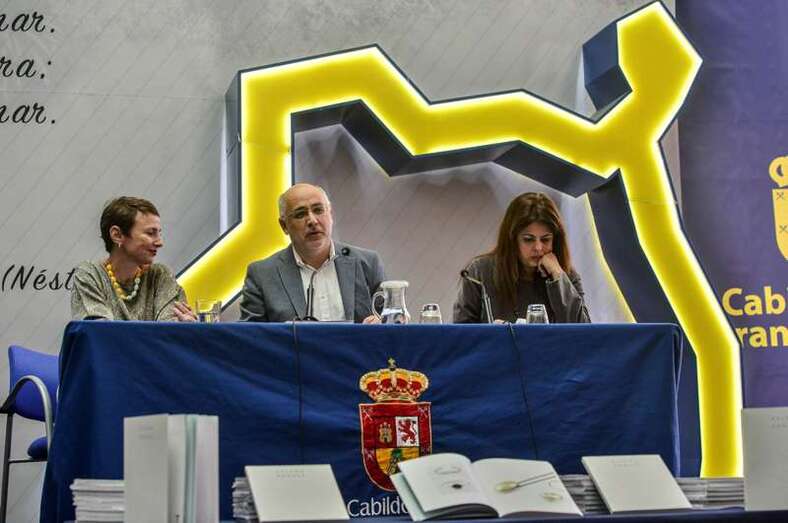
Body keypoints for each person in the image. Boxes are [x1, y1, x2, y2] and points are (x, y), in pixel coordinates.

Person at [240, 183, 385, 322]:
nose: (312, 221)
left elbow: (391, 318)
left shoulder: (367, 263)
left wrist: (383, 322)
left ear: (330, 215)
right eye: (300, 214)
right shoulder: (262, 275)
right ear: (284, 226)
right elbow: (251, 334)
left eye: (318, 210)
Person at [453, 192, 590, 324]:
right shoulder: (479, 272)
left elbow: (584, 332)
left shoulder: (565, 275)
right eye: (528, 239)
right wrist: (493, 334)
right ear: (512, 240)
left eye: (545, 240)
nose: (538, 248)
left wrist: (558, 277)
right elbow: (461, 334)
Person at [71, 197, 196, 321]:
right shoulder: (90, 275)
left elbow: (169, 329)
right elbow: (101, 331)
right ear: (117, 235)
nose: (160, 242)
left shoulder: (160, 275)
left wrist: (185, 329)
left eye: (159, 233)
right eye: (150, 233)